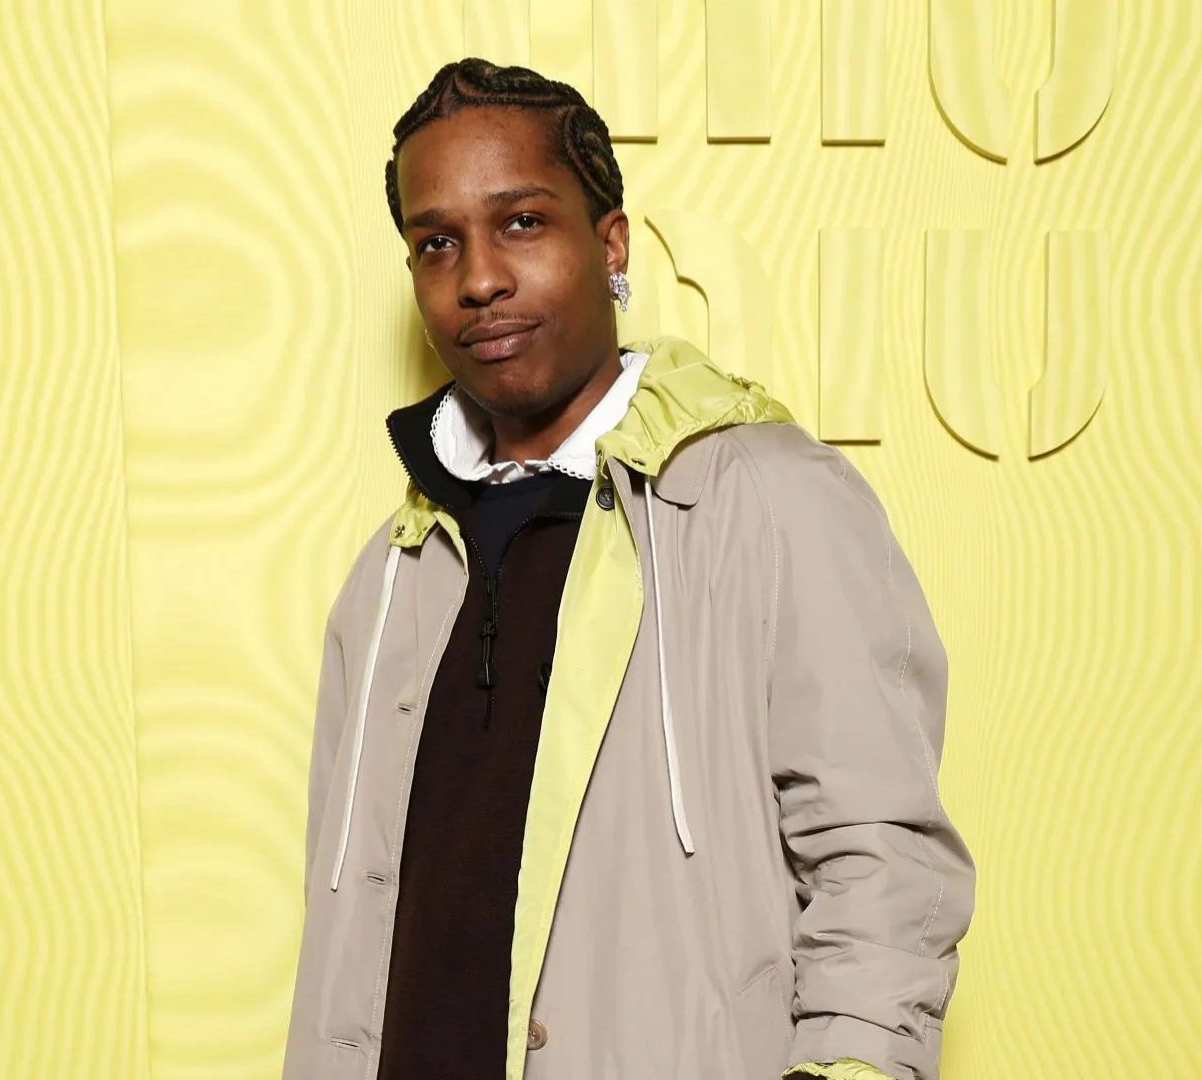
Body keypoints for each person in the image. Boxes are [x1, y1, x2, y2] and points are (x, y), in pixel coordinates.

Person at [281, 57, 975, 1080]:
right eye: (438, 243)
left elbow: (882, 859)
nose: (479, 277)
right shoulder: (391, 573)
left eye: (521, 221)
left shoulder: (767, 497)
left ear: (609, 245)